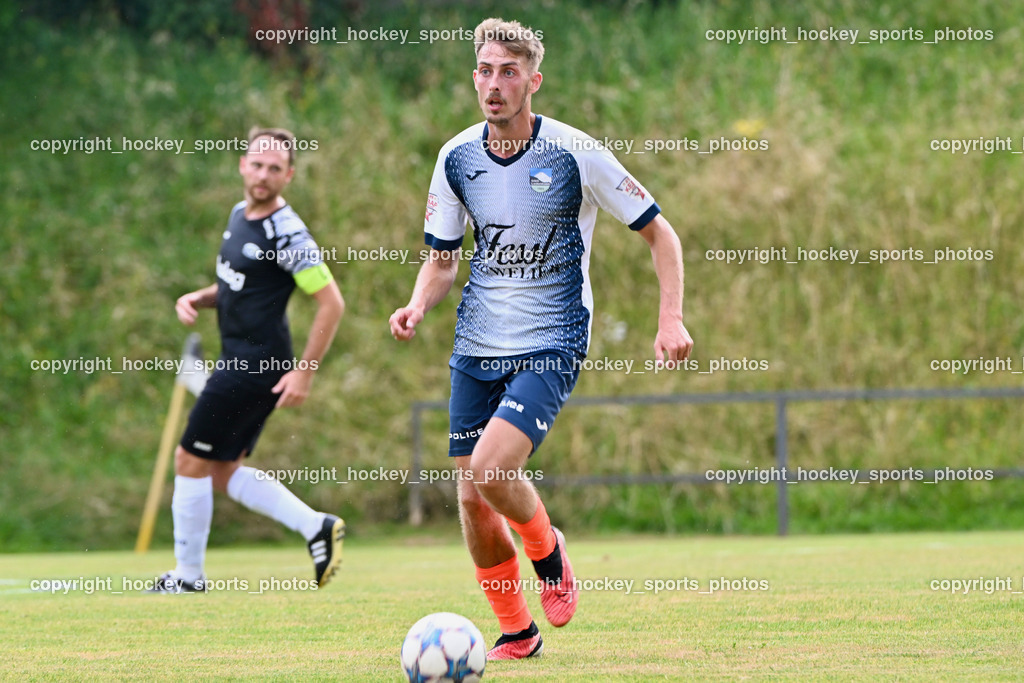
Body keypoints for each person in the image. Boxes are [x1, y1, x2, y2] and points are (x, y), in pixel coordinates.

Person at [389, 18, 693, 659]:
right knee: (471, 500)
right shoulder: (456, 158)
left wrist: (670, 320)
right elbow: (442, 259)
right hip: (476, 343)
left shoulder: (575, 152)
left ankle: (548, 552)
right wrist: (418, 303)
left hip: (552, 337)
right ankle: (517, 632)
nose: (495, 85)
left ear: (534, 80)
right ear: (474, 77)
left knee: (493, 467)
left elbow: (660, 234)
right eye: (486, 71)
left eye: (509, 72)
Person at [150, 127, 346, 593]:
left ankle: (188, 578)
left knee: (188, 460)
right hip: (237, 360)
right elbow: (241, 286)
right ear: (242, 164)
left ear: (289, 175)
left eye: (274, 168)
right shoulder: (240, 214)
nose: (263, 175)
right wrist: (199, 297)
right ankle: (315, 525)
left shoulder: (288, 233)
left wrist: (306, 372)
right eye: (257, 164)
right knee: (220, 469)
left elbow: (331, 304)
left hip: (254, 366)